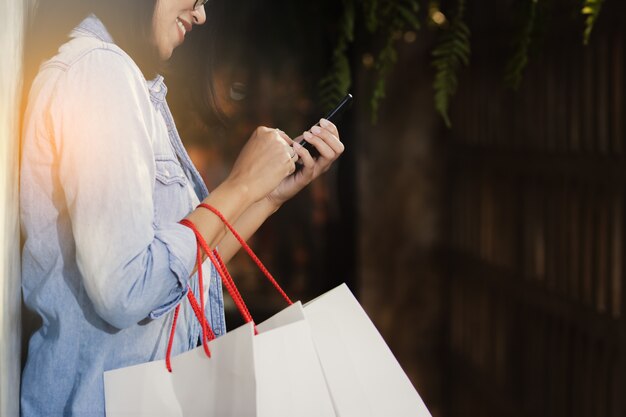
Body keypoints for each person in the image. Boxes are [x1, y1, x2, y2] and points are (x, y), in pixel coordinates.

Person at [19, 0, 344, 415]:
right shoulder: (98, 73)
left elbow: (180, 280)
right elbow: (126, 289)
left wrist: (268, 197)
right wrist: (241, 184)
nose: (201, 14)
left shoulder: (128, 82)